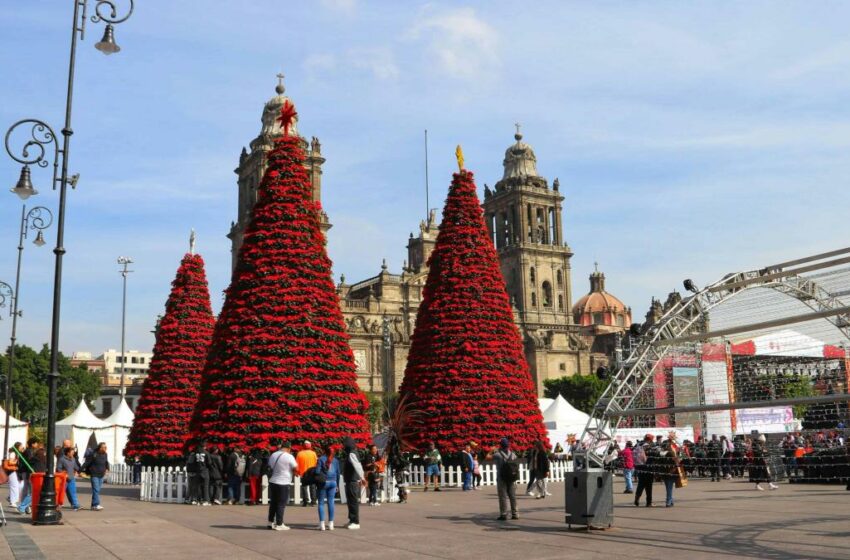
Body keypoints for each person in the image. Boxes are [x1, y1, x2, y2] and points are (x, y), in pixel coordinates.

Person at [267, 441, 298, 530]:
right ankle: (280, 524)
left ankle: (270, 522)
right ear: (288, 448)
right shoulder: (289, 456)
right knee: (281, 504)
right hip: (283, 482)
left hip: (273, 481)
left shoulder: (273, 455)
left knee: (273, 503)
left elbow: (271, 466)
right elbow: (296, 467)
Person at [492, 438, 519, 520]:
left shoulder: (498, 454)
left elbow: (487, 457)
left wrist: (492, 450)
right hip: (512, 477)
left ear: (501, 445)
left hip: (501, 478)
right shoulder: (513, 454)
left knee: (503, 496)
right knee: (512, 496)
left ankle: (504, 514)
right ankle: (515, 513)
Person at [341, 436, 365, 529]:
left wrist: (362, 478)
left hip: (352, 481)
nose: (343, 446)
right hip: (350, 481)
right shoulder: (352, 453)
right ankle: (351, 520)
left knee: (353, 502)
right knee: (350, 501)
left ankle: (355, 522)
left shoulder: (351, 454)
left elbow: (358, 466)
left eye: (344, 444)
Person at [18, 437, 44, 515]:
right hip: (30, 473)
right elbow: (30, 461)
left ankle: (25, 506)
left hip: (31, 472)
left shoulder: (31, 451)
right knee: (32, 492)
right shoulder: (29, 451)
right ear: (32, 444)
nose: (37, 445)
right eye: (36, 443)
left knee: (30, 491)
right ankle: (23, 506)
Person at [316, 445, 339, 530]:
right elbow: (338, 473)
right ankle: (331, 524)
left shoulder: (321, 459)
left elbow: (317, 472)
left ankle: (322, 524)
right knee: (331, 502)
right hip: (333, 482)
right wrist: (337, 485)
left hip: (323, 483)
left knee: (321, 503)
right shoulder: (336, 461)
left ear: (324, 451)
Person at [82, 442, 110, 511]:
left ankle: (93, 505)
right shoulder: (93, 454)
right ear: (100, 448)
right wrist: (79, 470)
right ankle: (95, 504)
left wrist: (107, 468)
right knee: (96, 490)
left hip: (101, 475)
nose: (105, 449)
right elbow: (87, 463)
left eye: (106, 447)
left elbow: (106, 462)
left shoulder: (105, 454)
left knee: (97, 490)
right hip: (94, 474)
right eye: (104, 447)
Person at [56, 446, 82, 511]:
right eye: (71, 452)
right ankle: (57, 504)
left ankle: (75, 505)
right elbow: (58, 468)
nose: (73, 454)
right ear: (67, 453)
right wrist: (64, 474)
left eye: (73, 452)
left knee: (72, 492)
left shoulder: (73, 459)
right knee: (61, 493)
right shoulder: (62, 459)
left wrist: (80, 471)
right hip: (63, 479)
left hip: (71, 478)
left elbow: (76, 467)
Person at [186, 441, 211, 506]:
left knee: (197, 486)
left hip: (197, 471)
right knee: (205, 486)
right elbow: (209, 463)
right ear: (204, 446)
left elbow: (193, 462)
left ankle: (196, 500)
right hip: (205, 471)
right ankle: (206, 500)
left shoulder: (195, 453)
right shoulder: (206, 453)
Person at [296, 441, 319, 506]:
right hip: (312, 473)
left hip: (303, 473)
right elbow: (316, 463)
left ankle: (305, 502)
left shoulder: (299, 454)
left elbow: (297, 464)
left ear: (303, 446)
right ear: (310, 446)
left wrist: (297, 472)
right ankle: (313, 502)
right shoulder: (313, 453)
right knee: (313, 487)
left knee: (304, 487)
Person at [633, 434, 654, 507]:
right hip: (648, 468)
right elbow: (652, 456)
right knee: (649, 487)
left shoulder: (638, 445)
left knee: (640, 485)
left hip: (639, 468)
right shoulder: (648, 446)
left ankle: (637, 498)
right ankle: (649, 503)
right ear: (650, 439)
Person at [659, 440, 681, 507]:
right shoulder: (667, 453)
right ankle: (669, 501)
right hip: (668, 473)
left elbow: (676, 463)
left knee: (668, 488)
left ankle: (669, 501)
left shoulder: (665, 453)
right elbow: (676, 463)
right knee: (669, 488)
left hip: (667, 473)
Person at [4, 443, 21, 509]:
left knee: (16, 485)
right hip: (11, 471)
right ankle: (12, 501)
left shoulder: (14, 453)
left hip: (13, 471)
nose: (21, 447)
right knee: (14, 486)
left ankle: (10, 498)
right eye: (21, 446)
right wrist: (16, 462)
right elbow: (10, 462)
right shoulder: (13, 453)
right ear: (17, 447)